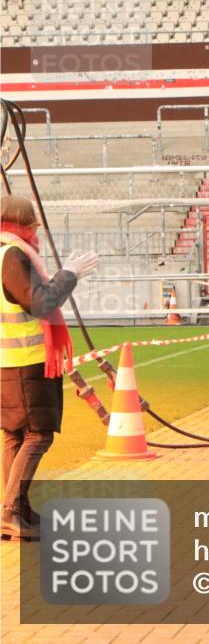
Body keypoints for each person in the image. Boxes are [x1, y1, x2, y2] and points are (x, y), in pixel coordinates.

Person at [1, 195, 97, 540]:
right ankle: (11, 510)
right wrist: (68, 275)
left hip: (9, 361)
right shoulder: (14, 255)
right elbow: (40, 302)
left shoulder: (5, 252)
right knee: (37, 434)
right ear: (24, 223)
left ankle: (17, 509)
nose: (36, 231)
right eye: (33, 224)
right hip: (25, 363)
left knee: (14, 435)